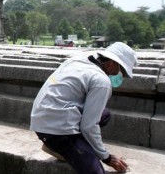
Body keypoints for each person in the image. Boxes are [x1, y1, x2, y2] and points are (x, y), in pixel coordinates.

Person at [30, 42, 137, 173]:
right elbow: (89, 126)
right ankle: (63, 146)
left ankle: (66, 148)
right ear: (111, 64)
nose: (120, 76)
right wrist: (106, 157)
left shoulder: (80, 59)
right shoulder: (102, 81)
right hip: (57, 131)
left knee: (104, 115)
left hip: (41, 118)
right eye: (122, 71)